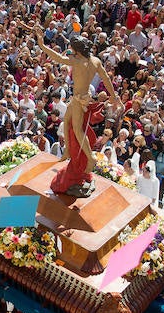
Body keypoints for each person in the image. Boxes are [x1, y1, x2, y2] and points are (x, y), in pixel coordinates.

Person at [34, 29, 122, 197]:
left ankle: (90, 158)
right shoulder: (95, 61)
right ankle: (68, 151)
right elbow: (107, 79)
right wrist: (113, 96)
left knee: (77, 129)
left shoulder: (75, 60)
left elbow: (57, 57)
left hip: (78, 100)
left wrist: (41, 44)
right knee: (66, 123)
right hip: (79, 99)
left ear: (76, 50)